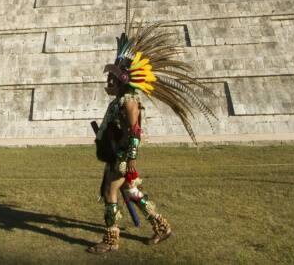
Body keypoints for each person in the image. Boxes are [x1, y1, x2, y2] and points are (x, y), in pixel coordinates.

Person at [86, 22, 216, 254]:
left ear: (124, 81)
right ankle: (161, 226)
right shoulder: (122, 101)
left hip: (123, 157)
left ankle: (111, 239)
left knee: (110, 192)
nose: (109, 82)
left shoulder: (129, 103)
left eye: (113, 78)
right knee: (131, 192)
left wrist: (130, 158)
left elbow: (134, 132)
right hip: (118, 154)